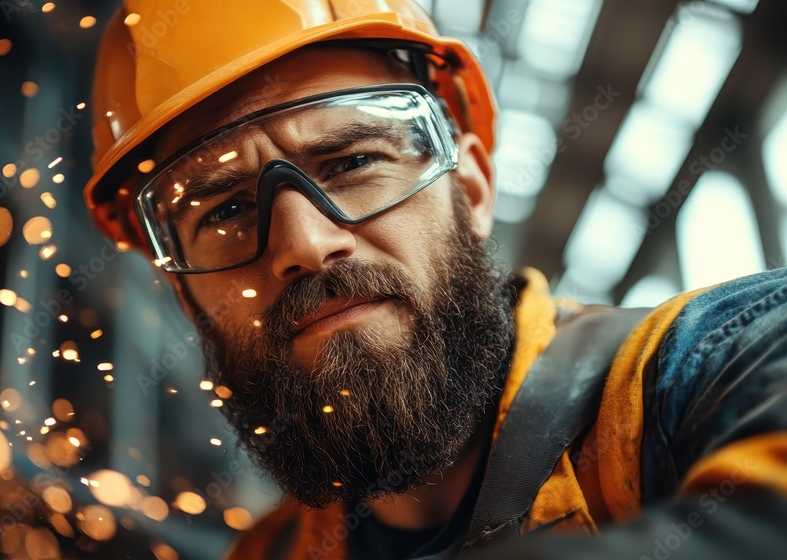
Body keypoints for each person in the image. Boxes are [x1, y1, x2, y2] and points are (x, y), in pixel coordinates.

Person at [82, 1, 787, 558]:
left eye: (353, 163)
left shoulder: (706, 367)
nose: (305, 245)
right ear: (183, 294)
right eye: (228, 210)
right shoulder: (268, 552)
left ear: (472, 190)